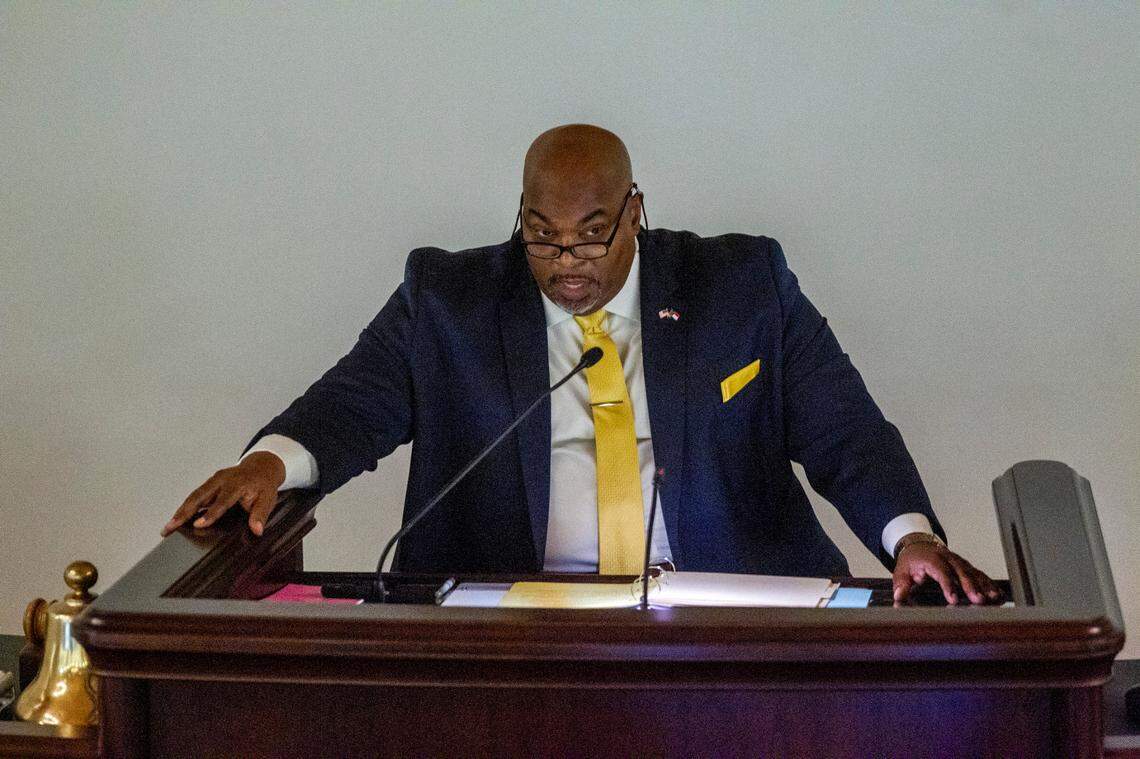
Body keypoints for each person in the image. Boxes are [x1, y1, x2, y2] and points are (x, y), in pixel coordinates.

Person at [163, 124, 1000, 606]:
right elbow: (355, 400)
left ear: (635, 211)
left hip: (726, 614)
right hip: (517, 622)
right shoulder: (448, 297)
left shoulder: (743, 284)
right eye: (541, 235)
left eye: (593, 233)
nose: (567, 261)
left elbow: (844, 429)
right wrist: (269, 460)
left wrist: (910, 536)